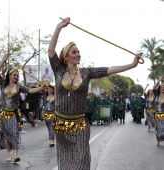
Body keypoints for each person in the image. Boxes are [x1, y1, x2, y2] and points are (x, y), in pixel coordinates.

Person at [48, 17, 143, 170]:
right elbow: (51, 50)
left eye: (79, 51)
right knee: (65, 163)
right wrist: (59, 27)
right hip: (61, 124)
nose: (78, 54)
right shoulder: (58, 71)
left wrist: (132, 65)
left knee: (82, 160)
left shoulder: (87, 73)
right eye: (74, 52)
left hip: (80, 124)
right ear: (66, 56)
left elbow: (109, 69)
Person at [0, 53, 45, 162]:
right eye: (14, 74)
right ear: (9, 75)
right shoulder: (3, 84)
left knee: (14, 132)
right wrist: (3, 60)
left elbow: (30, 90)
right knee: (6, 134)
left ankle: (16, 154)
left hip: (13, 114)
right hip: (3, 114)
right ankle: (9, 154)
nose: (16, 76)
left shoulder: (19, 86)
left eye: (17, 75)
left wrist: (41, 87)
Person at [42, 78, 55, 147]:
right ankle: (52, 138)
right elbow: (42, 87)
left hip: (54, 114)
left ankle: (51, 140)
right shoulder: (45, 96)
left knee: (52, 127)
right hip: (46, 114)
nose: (49, 90)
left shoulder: (56, 97)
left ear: (53, 90)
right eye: (48, 89)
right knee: (49, 128)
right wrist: (42, 78)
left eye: (51, 89)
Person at [153, 76, 164, 146]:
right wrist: (159, 80)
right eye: (161, 88)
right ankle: (158, 140)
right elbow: (154, 87)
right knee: (158, 129)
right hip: (157, 115)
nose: (162, 89)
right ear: (159, 89)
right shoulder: (156, 95)